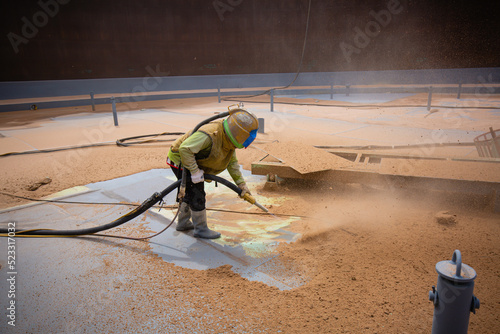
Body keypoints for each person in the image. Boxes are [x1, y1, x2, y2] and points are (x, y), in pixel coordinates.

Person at [166, 107, 259, 239]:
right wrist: (194, 171)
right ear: (238, 134)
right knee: (197, 193)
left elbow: (231, 163)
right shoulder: (210, 135)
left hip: (192, 159)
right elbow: (185, 149)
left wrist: (241, 184)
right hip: (180, 160)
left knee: (190, 191)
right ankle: (201, 229)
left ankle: (183, 223)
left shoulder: (229, 141)